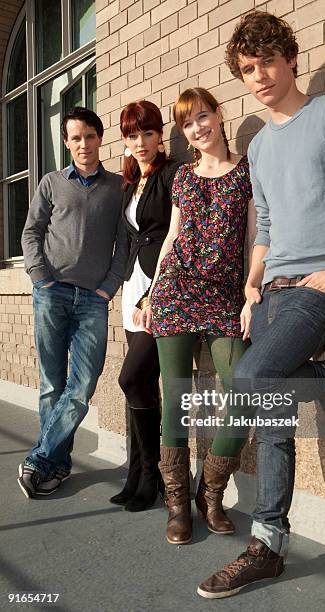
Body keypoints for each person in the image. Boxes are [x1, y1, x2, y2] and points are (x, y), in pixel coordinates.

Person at [197, 11, 325, 598]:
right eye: (245, 69)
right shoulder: (259, 144)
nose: (257, 76)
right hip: (269, 295)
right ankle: (269, 545)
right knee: (272, 410)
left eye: (265, 62)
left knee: (257, 377)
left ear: (290, 59)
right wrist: (250, 284)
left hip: (323, 289)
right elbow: (265, 224)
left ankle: (324, 375)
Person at [140, 87, 255, 545]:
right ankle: (176, 504)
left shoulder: (247, 170)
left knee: (245, 389)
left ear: (220, 114)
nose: (197, 128)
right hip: (177, 290)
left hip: (226, 296)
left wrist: (251, 293)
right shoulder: (183, 177)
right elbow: (172, 236)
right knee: (176, 399)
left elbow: (251, 236)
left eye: (202, 116)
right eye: (188, 123)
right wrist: (151, 293)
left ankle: (210, 494)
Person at [18, 107, 128, 499]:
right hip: (52, 293)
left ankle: (39, 459)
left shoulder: (117, 187)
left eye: (90, 136)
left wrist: (109, 287)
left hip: (93, 301)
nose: (84, 144)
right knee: (52, 385)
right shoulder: (51, 183)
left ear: (100, 138)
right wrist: (40, 278)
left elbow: (124, 244)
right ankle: (57, 465)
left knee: (82, 385)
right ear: (66, 142)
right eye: (76, 137)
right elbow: (30, 233)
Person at [109, 100, 181, 512]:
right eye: (132, 135)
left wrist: (156, 292)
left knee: (130, 377)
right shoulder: (132, 179)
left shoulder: (172, 175)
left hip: (158, 288)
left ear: (159, 135)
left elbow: (177, 236)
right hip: (132, 285)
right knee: (139, 384)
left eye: (148, 133)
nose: (140, 142)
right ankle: (136, 473)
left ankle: (151, 474)